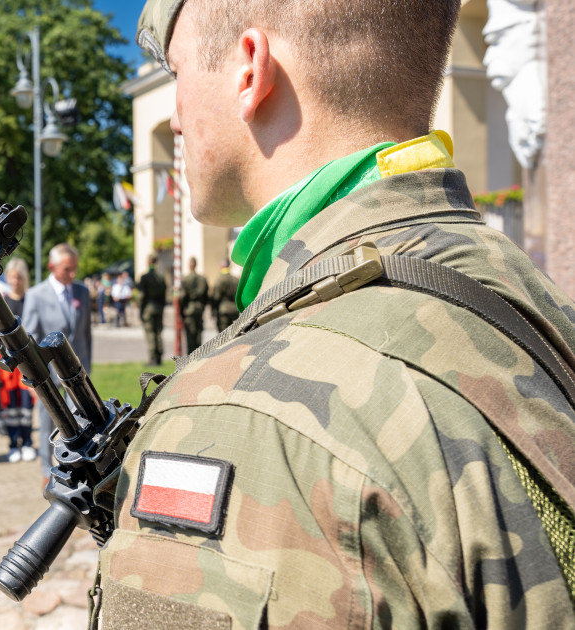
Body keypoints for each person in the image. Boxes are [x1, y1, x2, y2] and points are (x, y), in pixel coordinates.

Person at [98, 1, 575, 626]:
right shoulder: (525, 294)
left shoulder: (241, 413)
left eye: (178, 71)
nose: (176, 118)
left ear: (249, 70)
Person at [22, 243, 93, 468]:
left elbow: (85, 333)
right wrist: (33, 377)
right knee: (49, 422)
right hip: (48, 375)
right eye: (67, 269)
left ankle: (76, 465)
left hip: (76, 374)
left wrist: (86, 367)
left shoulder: (82, 292)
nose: (72, 274)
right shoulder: (36, 295)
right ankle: (48, 467)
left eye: (75, 269)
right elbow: (28, 340)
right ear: (52, 266)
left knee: (79, 422)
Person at [0, 258, 35, 462]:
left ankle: (27, 441)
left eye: (19, 277)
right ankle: (13, 442)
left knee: (27, 402)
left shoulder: (31, 299)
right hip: (9, 362)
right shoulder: (2, 301)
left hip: (27, 360)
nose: (16, 281)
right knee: (10, 402)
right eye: (12, 277)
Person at [136, 252, 168, 365]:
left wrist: (140, 308)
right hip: (158, 307)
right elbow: (165, 295)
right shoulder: (161, 277)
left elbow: (141, 295)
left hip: (148, 308)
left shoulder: (145, 277)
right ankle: (159, 356)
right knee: (158, 332)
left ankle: (153, 358)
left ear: (148, 262)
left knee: (150, 334)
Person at [177, 256, 207, 353]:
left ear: (190, 266)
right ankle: (198, 355)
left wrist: (181, 311)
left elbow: (182, 297)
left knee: (190, 336)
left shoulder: (186, 279)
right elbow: (206, 296)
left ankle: (191, 356)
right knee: (198, 335)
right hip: (198, 309)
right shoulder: (202, 279)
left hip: (189, 310)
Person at [209, 259, 240, 332]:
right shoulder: (235, 279)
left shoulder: (219, 280)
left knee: (224, 335)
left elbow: (216, 297)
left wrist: (213, 310)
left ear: (221, 266)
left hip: (223, 311)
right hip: (234, 310)